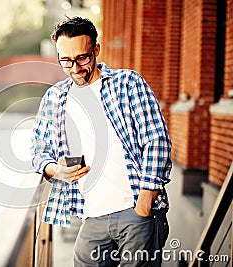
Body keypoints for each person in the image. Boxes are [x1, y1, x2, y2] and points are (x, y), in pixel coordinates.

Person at [31, 16, 172, 266]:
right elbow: (39, 151)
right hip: (92, 216)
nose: (75, 68)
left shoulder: (127, 84)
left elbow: (157, 140)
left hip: (136, 209)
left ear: (96, 50)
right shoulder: (55, 98)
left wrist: (144, 204)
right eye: (66, 60)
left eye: (82, 58)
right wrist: (57, 170)